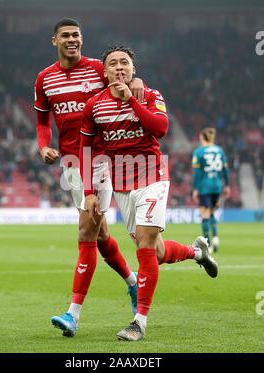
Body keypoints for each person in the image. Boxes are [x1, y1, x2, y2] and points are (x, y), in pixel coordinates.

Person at [80, 46, 218, 341]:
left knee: (144, 246)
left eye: (125, 63)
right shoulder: (94, 106)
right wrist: (89, 192)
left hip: (153, 176)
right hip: (121, 186)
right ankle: (197, 252)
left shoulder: (151, 95)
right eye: (113, 64)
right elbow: (86, 150)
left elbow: (160, 128)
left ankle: (138, 322)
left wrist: (131, 99)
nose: (119, 67)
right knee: (155, 251)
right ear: (104, 72)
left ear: (133, 69)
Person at [34, 19, 145, 337]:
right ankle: (133, 282)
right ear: (54, 40)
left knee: (86, 230)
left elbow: (124, 75)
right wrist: (44, 146)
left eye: (77, 36)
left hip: (101, 159)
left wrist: (138, 84)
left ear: (82, 40)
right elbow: (43, 121)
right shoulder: (45, 78)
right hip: (71, 164)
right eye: (66, 36)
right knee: (99, 235)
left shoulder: (98, 68)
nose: (72, 40)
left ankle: (73, 315)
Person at [192, 127, 230, 252]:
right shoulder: (219, 150)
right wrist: (227, 185)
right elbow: (225, 169)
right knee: (212, 212)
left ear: (202, 138)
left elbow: (196, 172)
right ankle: (215, 238)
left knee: (205, 214)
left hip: (204, 186)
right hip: (217, 186)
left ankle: (207, 244)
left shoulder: (199, 152)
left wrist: (195, 188)